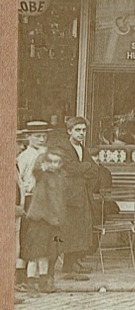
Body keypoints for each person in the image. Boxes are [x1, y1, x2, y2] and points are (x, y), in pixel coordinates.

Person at [53, 116, 100, 279]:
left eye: (84, 130)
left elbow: (95, 169)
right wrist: (86, 167)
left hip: (81, 193)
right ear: (69, 131)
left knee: (80, 229)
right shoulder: (63, 148)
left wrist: (85, 168)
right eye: (78, 130)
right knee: (70, 230)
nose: (81, 133)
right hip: (69, 195)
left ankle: (74, 262)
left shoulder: (81, 147)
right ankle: (68, 268)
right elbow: (71, 168)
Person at [20, 148, 67, 293]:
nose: (54, 165)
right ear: (46, 162)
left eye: (58, 162)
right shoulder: (42, 175)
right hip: (40, 219)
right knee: (35, 253)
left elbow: (60, 199)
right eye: (51, 161)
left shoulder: (61, 177)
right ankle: (29, 282)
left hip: (54, 220)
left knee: (48, 253)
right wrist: (42, 163)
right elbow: (36, 171)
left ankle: (43, 282)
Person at [16, 121, 49, 202]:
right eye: (38, 136)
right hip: (30, 197)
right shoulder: (24, 156)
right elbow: (18, 180)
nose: (42, 140)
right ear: (28, 136)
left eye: (44, 136)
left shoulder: (48, 154)